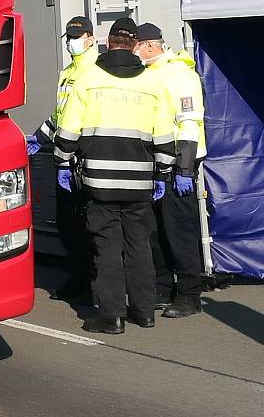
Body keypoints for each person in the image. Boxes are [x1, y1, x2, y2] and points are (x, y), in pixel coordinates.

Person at [54, 17, 176, 334]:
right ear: (135, 45)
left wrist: (62, 161)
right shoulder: (152, 84)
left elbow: (67, 131)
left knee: (106, 246)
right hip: (140, 182)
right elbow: (165, 136)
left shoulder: (88, 79)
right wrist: (163, 173)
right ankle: (144, 310)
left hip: (99, 181)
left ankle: (111, 316)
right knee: (139, 244)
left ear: (108, 43)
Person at [136, 22, 207, 319]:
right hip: (154, 162)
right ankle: (162, 287)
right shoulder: (145, 74)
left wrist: (184, 168)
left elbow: (189, 121)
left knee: (179, 230)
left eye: (137, 46)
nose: (134, 51)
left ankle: (190, 294)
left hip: (179, 161)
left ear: (150, 46)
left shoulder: (179, 74)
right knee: (154, 230)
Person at [27, 16, 98, 302]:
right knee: (69, 224)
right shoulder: (68, 72)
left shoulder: (96, 71)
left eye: (77, 36)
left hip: (85, 154)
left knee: (88, 225)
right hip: (65, 154)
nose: (72, 42)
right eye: (69, 37)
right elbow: (60, 115)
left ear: (91, 38)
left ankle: (90, 282)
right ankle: (80, 279)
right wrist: (40, 137)